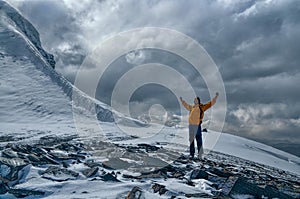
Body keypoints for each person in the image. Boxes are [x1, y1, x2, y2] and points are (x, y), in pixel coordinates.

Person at [180, 92, 219, 159]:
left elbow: (210, 104)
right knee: (191, 140)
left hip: (197, 126)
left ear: (198, 101)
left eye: (196, 100)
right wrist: (182, 101)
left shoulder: (202, 107)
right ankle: (191, 154)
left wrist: (215, 97)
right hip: (191, 126)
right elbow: (186, 105)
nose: (195, 100)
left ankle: (200, 155)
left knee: (199, 140)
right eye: (194, 100)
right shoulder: (192, 107)